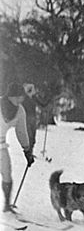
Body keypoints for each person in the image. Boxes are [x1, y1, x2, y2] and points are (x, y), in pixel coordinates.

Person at [1, 83, 34, 212]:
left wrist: (27, 150)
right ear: (12, 96)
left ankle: (6, 206)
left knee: (7, 173)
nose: (22, 99)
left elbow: (21, 132)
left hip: (1, 145)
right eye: (20, 96)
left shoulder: (20, 110)